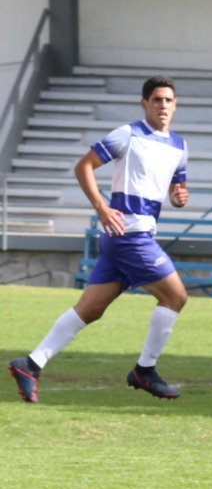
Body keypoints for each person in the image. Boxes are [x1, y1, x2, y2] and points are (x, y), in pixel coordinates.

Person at [8, 76, 190, 403]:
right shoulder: (128, 134)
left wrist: (178, 197)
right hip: (128, 236)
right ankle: (144, 371)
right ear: (144, 104)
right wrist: (101, 207)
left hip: (131, 236)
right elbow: (84, 166)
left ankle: (30, 364)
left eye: (168, 100)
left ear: (175, 105)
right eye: (157, 100)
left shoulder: (179, 146)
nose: (163, 106)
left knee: (89, 309)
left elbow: (176, 187)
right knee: (176, 297)